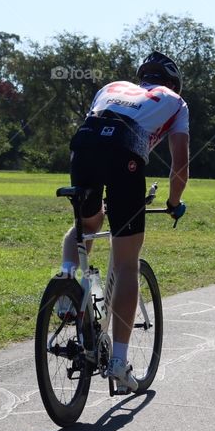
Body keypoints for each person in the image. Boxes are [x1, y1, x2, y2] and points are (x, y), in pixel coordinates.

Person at [60, 51, 189, 393]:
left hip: (84, 146)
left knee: (88, 223)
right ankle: (118, 360)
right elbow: (180, 167)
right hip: (126, 154)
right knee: (128, 262)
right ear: (172, 83)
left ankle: (65, 285)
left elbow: (99, 133)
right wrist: (173, 203)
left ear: (141, 76)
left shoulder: (113, 86)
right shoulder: (175, 101)